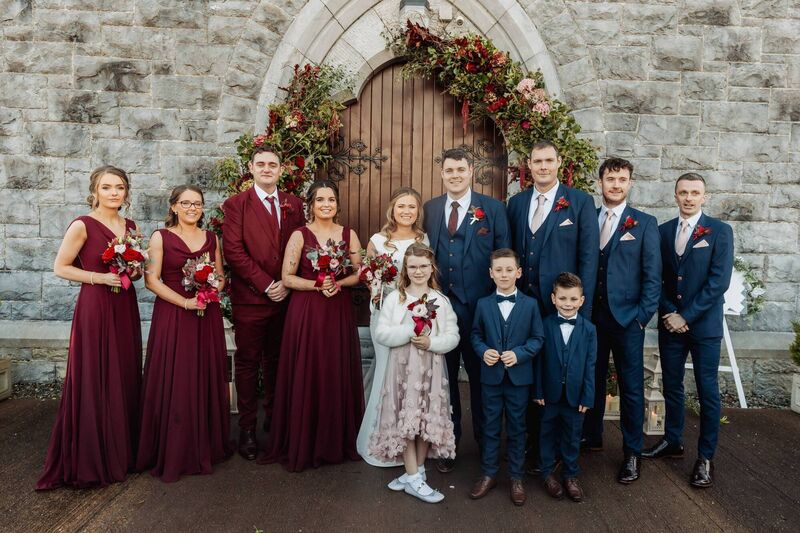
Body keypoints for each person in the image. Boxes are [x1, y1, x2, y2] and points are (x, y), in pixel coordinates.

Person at [37, 166, 142, 490]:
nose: (114, 193)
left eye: (119, 187)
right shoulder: (82, 225)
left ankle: (122, 451)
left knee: (123, 370)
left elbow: (135, 271)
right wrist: (100, 277)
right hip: (95, 306)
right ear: (94, 191)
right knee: (97, 373)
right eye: (107, 187)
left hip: (124, 305)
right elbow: (61, 267)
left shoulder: (131, 226)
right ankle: (93, 457)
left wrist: (134, 270)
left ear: (126, 192)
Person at [506, 140, 599, 472]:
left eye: (548, 160)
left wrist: (582, 311)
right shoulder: (516, 203)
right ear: (528, 166)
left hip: (562, 305)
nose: (543, 166)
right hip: (525, 305)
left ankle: (562, 446)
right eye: (537, 161)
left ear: (559, 163)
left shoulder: (580, 202)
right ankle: (531, 439)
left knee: (560, 369)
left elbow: (588, 258)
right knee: (528, 371)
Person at [260, 180, 364, 472]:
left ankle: (335, 441)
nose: (326, 204)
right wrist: (317, 285)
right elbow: (287, 277)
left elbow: (360, 272)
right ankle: (304, 440)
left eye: (331, 200)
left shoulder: (349, 234)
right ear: (311, 204)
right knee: (308, 368)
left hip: (338, 310)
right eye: (320, 200)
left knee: (334, 368)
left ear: (337, 204)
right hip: (307, 311)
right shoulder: (299, 235)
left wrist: (338, 283)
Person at [642, 173, 733, 489]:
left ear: (704, 197)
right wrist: (670, 312)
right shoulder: (663, 231)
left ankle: (705, 457)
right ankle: (673, 440)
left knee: (707, 390)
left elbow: (718, 282)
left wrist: (687, 316)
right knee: (671, 385)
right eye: (683, 192)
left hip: (704, 327)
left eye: (695, 192)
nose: (689, 197)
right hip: (671, 324)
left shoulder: (720, 231)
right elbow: (655, 278)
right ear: (675, 195)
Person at [136, 185, 233, 482]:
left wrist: (210, 289)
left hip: (206, 314)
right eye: (186, 203)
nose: (192, 208)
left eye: (197, 203)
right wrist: (186, 302)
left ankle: (206, 444)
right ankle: (175, 448)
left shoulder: (211, 238)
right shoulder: (160, 237)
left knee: (204, 372)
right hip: (174, 315)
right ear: (174, 206)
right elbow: (151, 281)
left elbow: (220, 276)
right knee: (178, 376)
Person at [423, 147, 510, 473]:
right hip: (441, 311)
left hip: (480, 311)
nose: (455, 175)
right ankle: (449, 443)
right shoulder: (430, 209)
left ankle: (488, 446)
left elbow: (504, 255)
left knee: (482, 380)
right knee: (444, 381)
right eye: (449, 170)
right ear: (442, 173)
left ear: (471, 171)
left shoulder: (493, 209)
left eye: (461, 169)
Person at [222, 145, 305, 460]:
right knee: (247, 363)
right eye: (261, 164)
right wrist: (267, 285)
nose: (267, 169)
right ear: (251, 168)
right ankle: (247, 429)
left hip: (286, 298)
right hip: (251, 299)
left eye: (272, 164)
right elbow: (233, 251)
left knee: (277, 361)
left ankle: (274, 420)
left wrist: (287, 282)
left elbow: (300, 245)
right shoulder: (236, 205)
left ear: (281, 169)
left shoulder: (294, 204)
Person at [581, 158, 661, 484]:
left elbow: (653, 276)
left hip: (628, 320)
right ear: (600, 182)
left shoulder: (644, 223)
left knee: (631, 388)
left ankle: (632, 452)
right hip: (591, 317)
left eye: (622, 179)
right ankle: (592, 436)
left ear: (630, 183)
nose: (615, 185)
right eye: (610, 179)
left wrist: (641, 318)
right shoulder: (588, 218)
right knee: (592, 379)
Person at [369, 243, 459, 503]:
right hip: (402, 370)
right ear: (405, 270)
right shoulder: (395, 299)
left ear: (432, 268)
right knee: (406, 419)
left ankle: (415, 473)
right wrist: (410, 330)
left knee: (424, 418)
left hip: (430, 369)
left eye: (423, 266)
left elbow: (453, 335)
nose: (418, 271)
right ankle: (413, 476)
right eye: (412, 267)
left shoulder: (441, 301)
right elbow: (381, 333)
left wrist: (431, 342)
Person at [357, 187, 428, 467]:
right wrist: (380, 288)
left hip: (414, 314)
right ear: (392, 209)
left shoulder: (423, 239)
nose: (406, 211)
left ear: (418, 211)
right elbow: (369, 278)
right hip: (385, 313)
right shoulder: (378, 240)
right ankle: (379, 440)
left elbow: (426, 275)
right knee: (386, 373)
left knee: (409, 377)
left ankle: (406, 442)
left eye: (411, 206)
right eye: (401, 206)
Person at [469, 249, 544, 506]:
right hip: (491, 378)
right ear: (491, 273)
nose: (504, 274)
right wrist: (483, 351)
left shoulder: (531, 305)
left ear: (519, 272)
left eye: (509, 270)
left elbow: (538, 338)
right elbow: (475, 335)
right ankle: (488, 474)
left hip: (518, 379)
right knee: (490, 427)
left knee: (517, 428)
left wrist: (520, 354)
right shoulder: (483, 304)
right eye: (499, 270)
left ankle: (516, 477)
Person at [534, 273, 596, 503]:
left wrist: (587, 396)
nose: (567, 304)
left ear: (581, 300)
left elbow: (590, 365)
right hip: (549, 394)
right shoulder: (545, 324)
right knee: (546, 433)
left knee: (572, 436)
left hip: (575, 396)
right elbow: (539, 361)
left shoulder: (589, 329)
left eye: (573, 299)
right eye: (562, 298)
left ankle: (570, 475)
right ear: (553, 298)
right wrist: (538, 390)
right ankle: (547, 473)